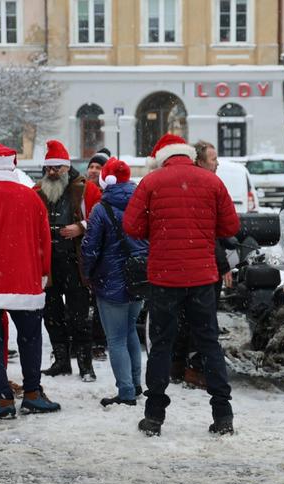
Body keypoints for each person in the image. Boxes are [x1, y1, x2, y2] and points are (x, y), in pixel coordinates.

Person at [123, 133, 240, 437]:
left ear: (161, 157)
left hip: (165, 277)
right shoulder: (211, 182)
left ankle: (154, 415)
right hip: (202, 277)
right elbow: (230, 227)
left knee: (161, 344)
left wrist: (158, 229)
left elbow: (132, 227)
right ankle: (223, 413)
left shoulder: (151, 183)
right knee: (209, 342)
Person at [0, 143, 60, 418]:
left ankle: (2, 398)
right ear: (13, 166)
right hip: (26, 280)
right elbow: (45, 240)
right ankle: (32, 392)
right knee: (31, 339)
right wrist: (44, 272)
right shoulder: (31, 198)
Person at [81, 158, 148, 406]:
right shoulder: (142, 203)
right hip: (139, 278)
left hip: (110, 281)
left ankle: (126, 392)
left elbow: (90, 248)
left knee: (116, 338)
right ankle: (136, 383)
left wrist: (86, 274)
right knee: (130, 330)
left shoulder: (101, 209)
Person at [35, 140, 102, 381]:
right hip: (48, 264)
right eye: (49, 168)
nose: (52, 173)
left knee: (79, 315)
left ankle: (86, 365)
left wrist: (80, 227)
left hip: (75, 262)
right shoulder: (37, 190)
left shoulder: (86, 190)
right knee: (51, 314)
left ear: (66, 167)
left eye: (58, 168)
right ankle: (61, 361)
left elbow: (101, 218)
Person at [171, 140, 233, 389]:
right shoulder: (209, 186)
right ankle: (194, 369)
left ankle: (177, 366)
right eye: (213, 159)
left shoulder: (181, 184)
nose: (217, 163)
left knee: (182, 320)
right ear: (199, 161)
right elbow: (216, 233)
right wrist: (224, 264)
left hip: (178, 266)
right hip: (203, 267)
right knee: (204, 324)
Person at [85, 147, 111, 361]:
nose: (93, 170)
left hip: (104, 256)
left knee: (100, 301)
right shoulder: (79, 191)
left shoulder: (107, 196)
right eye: (91, 166)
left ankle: (98, 342)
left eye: (98, 167)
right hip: (84, 253)